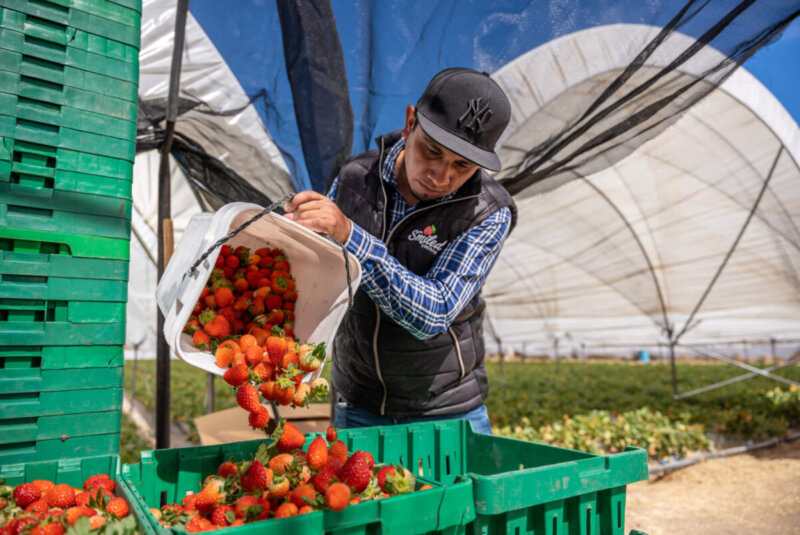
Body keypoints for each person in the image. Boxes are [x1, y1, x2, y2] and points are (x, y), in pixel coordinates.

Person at [283, 68, 516, 433]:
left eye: (462, 166)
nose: (440, 176)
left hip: (446, 411)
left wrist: (349, 234)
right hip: (360, 402)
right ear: (410, 124)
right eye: (432, 151)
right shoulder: (354, 178)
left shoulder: (488, 212)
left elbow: (434, 314)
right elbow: (318, 269)